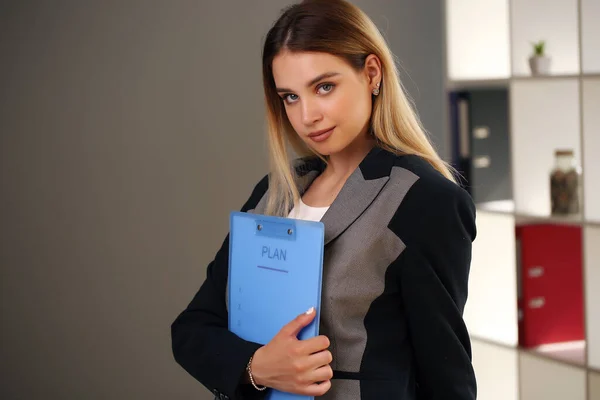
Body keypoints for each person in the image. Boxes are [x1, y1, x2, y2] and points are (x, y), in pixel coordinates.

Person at [171, 0, 477, 399]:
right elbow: (193, 328)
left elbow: (447, 379)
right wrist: (257, 367)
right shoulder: (275, 192)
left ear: (371, 73)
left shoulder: (425, 201)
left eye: (324, 87)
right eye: (290, 97)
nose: (307, 115)